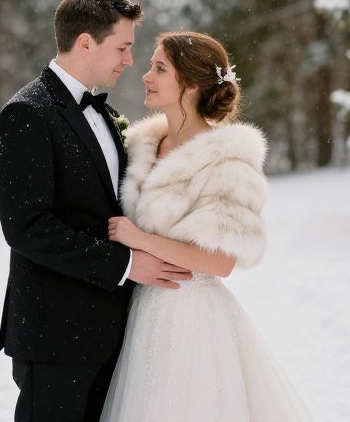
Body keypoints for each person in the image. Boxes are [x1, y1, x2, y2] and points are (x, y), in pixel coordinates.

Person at [0, 0, 192, 422]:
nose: (129, 60)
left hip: (114, 331)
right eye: (122, 47)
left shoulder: (102, 113)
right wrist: (124, 264)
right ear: (85, 43)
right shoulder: (26, 114)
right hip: (55, 333)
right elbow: (27, 227)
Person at [100, 30, 314, 422]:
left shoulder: (226, 161)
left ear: (192, 84)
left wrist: (139, 240)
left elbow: (220, 263)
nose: (146, 75)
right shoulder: (140, 145)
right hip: (141, 313)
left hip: (193, 319)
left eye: (160, 68)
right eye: (151, 66)